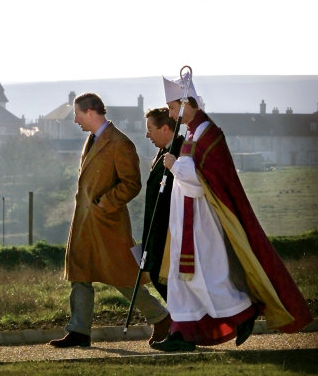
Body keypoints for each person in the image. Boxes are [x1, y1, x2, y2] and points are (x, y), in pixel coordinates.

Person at [151, 72, 313, 352]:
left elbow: (203, 179)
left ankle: (243, 312)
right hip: (184, 217)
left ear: (187, 102)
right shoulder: (191, 131)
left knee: (206, 277)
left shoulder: (207, 132)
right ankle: (181, 333)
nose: (171, 113)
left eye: (173, 107)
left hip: (201, 218)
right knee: (182, 277)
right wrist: (176, 166)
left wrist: (174, 164)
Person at [49, 92, 171, 348]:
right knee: (80, 274)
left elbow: (132, 184)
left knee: (123, 277)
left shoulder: (120, 143)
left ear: (91, 112)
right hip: (84, 222)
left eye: (78, 114)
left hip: (108, 224)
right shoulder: (92, 140)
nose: (75, 120)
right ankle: (79, 331)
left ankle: (161, 317)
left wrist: (106, 202)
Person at [142, 108, 184, 301]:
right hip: (156, 227)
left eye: (150, 129)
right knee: (155, 274)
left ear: (165, 128)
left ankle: (182, 325)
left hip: (170, 229)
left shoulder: (180, 151)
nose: (147, 134)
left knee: (163, 277)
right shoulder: (161, 152)